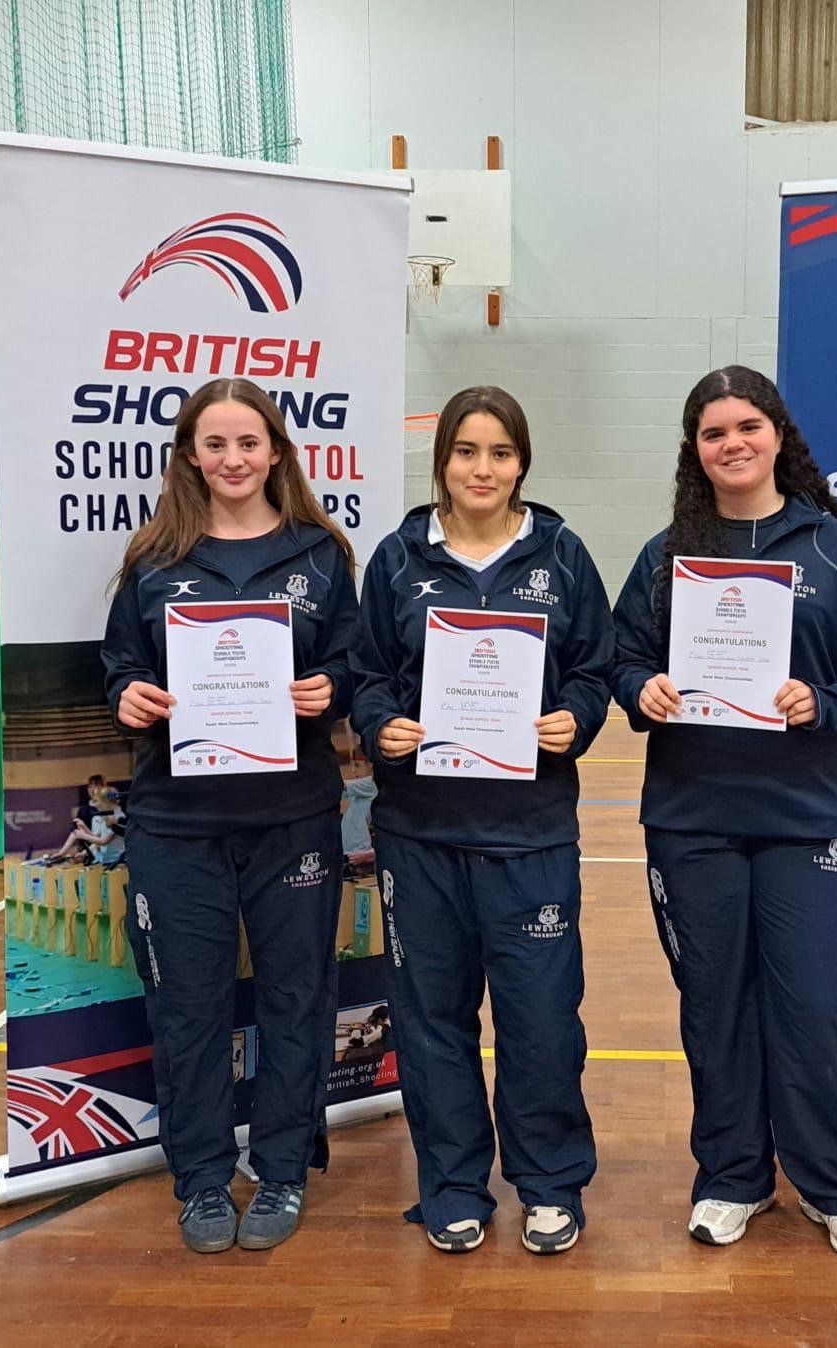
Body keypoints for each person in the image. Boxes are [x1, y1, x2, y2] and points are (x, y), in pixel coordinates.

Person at [610, 366, 837, 1260]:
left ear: (777, 434)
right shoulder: (666, 555)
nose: (731, 444)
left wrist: (823, 701)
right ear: (693, 451)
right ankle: (732, 1177)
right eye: (713, 433)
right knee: (715, 1008)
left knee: (819, 1007)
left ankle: (834, 1186)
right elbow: (619, 657)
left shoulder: (830, 549)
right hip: (691, 819)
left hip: (804, 815)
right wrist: (641, 688)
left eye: (746, 426)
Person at [350, 385, 613, 1256]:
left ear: (521, 463)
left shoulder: (562, 555)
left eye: (499, 453)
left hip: (530, 832)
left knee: (542, 1021)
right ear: (442, 461)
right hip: (420, 833)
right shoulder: (398, 558)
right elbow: (367, 674)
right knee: (432, 1022)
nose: (482, 469)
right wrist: (379, 725)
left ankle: (549, 1185)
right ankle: (454, 1187)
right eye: (466, 451)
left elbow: (594, 669)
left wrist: (576, 717)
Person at [101, 376, 358, 1255]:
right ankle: (203, 1180)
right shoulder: (153, 558)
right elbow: (120, 666)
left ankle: (282, 1168)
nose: (233, 459)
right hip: (177, 822)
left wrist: (330, 689)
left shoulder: (320, 554)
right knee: (188, 1007)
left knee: (296, 998)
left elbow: (353, 664)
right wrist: (129, 695)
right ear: (190, 456)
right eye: (215, 444)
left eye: (249, 442)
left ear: (276, 451)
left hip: (293, 817)